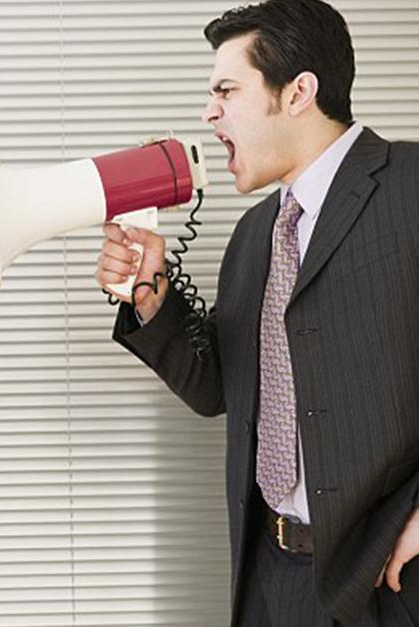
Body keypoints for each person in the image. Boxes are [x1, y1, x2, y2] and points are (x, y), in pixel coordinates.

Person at [96, 1, 419, 625]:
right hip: (272, 579)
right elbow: (223, 389)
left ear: (298, 93)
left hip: (391, 582)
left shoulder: (410, 185)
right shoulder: (254, 235)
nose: (208, 112)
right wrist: (152, 298)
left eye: (226, 89)